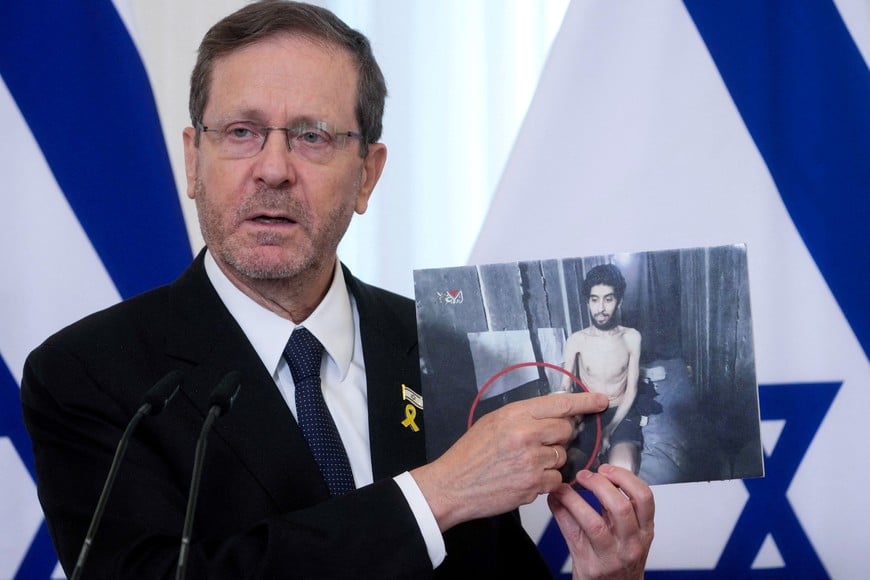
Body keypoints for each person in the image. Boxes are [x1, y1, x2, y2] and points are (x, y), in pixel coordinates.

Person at [20, 2, 654, 578]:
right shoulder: (92, 375)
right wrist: (439, 493)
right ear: (193, 161)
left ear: (366, 177)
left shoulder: (441, 350)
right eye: (241, 131)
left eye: (312, 136)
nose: (272, 168)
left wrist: (610, 578)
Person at [561, 263, 644, 475]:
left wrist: (609, 430)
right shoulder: (576, 341)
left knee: (623, 469)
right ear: (588, 302)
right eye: (594, 299)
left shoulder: (631, 337)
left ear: (619, 301)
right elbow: (565, 389)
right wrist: (574, 423)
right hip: (589, 415)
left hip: (621, 411)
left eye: (608, 299)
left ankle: (608, 455)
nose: (601, 308)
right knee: (570, 469)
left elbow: (631, 390)